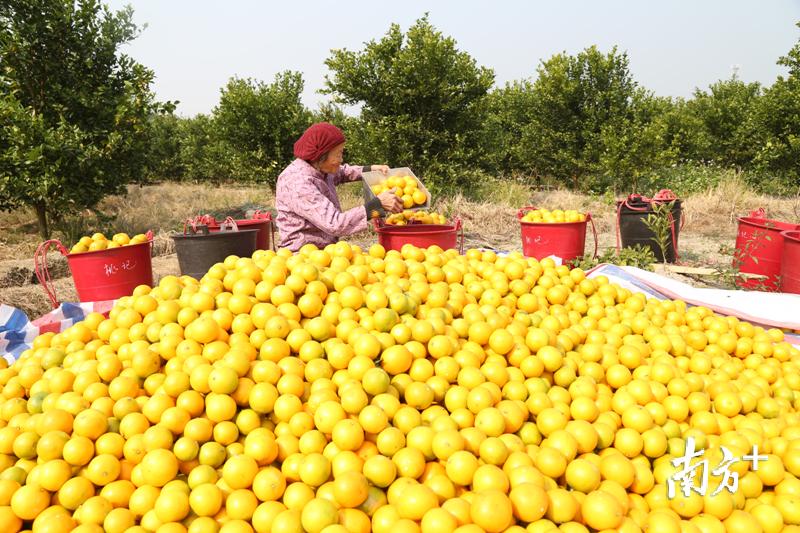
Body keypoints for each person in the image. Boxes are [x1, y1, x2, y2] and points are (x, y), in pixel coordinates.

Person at [275, 122, 403, 252]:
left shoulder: (319, 167)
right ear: (321, 155)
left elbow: (342, 172)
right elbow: (335, 224)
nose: (341, 159)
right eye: (338, 154)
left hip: (327, 252)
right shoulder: (298, 182)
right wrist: (376, 205)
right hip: (301, 257)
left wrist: (370, 169)